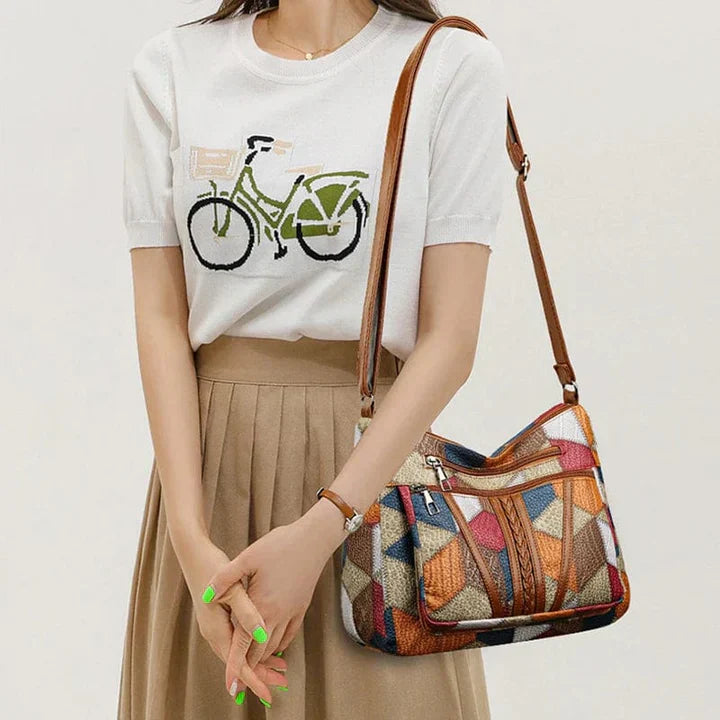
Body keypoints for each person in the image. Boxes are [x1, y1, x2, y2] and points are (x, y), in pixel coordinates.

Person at [118, 1, 507, 718]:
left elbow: (450, 340)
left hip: (375, 475)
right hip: (209, 479)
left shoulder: (448, 66)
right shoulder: (173, 67)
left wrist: (326, 526)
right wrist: (192, 547)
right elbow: (161, 321)